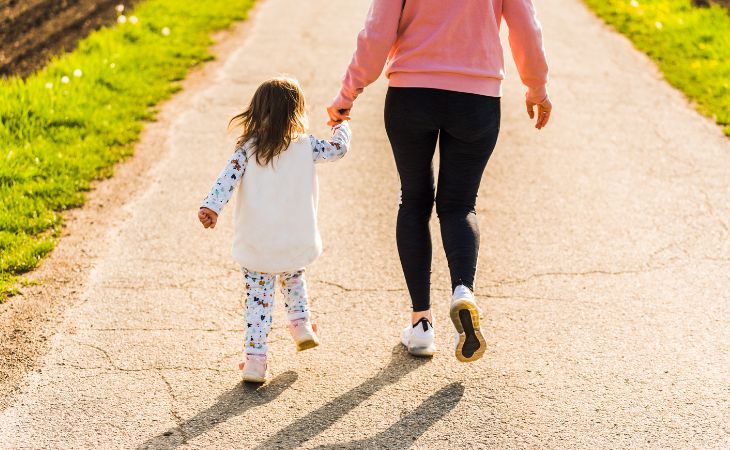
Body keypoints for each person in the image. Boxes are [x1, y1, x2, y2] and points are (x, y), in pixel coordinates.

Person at [328, 0, 551, 362]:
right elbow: (526, 26)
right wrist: (536, 87)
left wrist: (348, 92)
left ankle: (421, 326)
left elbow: (377, 32)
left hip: (411, 95)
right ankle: (463, 289)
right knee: (459, 204)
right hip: (477, 100)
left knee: (414, 200)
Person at [199, 77, 351, 382]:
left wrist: (211, 207)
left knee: (258, 299)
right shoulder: (307, 146)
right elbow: (338, 149)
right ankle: (301, 325)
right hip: (294, 238)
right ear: (296, 113)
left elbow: (225, 181)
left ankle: (255, 362)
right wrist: (342, 123)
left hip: (257, 243)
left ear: (257, 112)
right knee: (294, 278)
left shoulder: (247, 150)